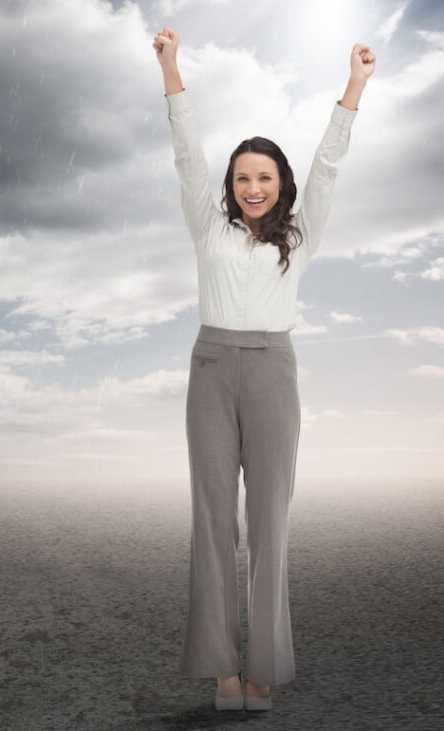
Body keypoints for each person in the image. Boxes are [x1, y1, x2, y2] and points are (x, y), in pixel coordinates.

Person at [152, 28, 374, 711]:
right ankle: (222, 672)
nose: (253, 186)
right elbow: (186, 151)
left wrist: (354, 88)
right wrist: (170, 67)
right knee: (214, 522)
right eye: (243, 176)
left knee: (271, 522)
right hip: (212, 368)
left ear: (281, 186)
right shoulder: (207, 226)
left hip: (275, 371)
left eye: (265, 177)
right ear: (230, 185)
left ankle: (264, 672)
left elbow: (329, 167)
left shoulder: (301, 235)